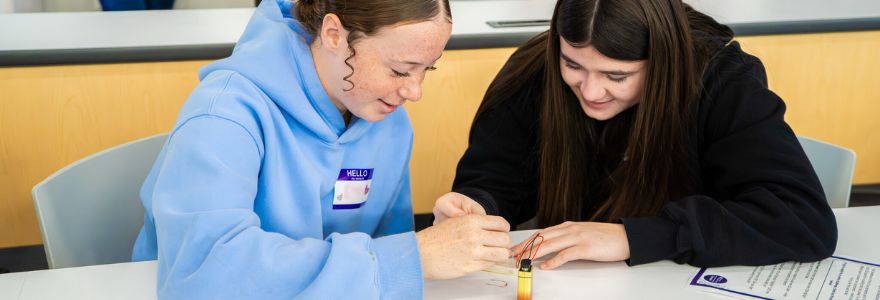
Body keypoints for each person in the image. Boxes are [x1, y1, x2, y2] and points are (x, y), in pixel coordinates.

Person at [131, 0, 512, 298]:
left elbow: (383, 253)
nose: (414, 91)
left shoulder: (386, 118)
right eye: (399, 70)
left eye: (427, 69)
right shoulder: (224, 114)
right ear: (333, 35)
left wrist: (427, 242)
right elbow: (205, 275)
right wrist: (411, 257)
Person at [433, 0, 837, 270]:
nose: (591, 91)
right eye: (573, 65)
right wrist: (476, 205)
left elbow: (801, 219)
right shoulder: (533, 70)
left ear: (662, 62)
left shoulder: (722, 81)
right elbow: (497, 177)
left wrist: (634, 238)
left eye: (617, 75)